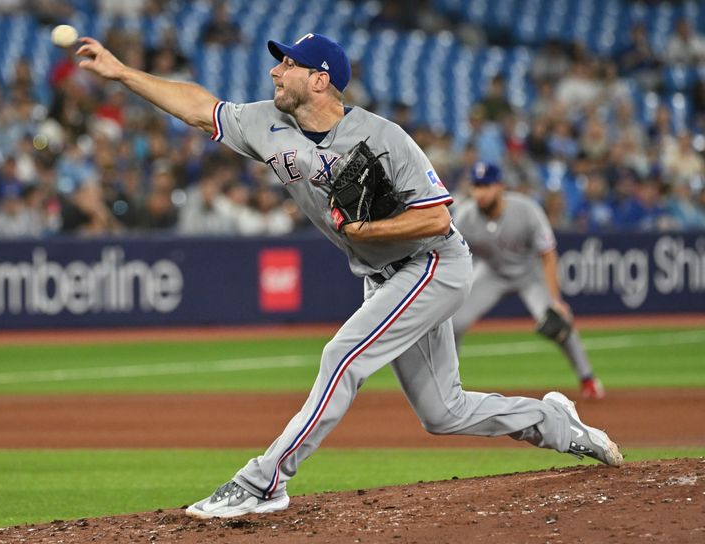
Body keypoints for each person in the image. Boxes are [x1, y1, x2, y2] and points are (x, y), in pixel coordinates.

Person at [76, 32, 622, 519]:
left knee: (343, 355)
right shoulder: (268, 122)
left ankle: (265, 480)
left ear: (319, 80)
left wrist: (364, 232)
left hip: (433, 262)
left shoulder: (384, 137)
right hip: (384, 276)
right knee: (443, 411)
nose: (274, 72)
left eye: (286, 64)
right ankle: (556, 423)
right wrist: (122, 73)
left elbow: (436, 216)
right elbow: (201, 108)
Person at [451, 162, 605, 399]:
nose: (480, 192)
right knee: (452, 322)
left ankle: (588, 379)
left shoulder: (526, 209)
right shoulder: (465, 216)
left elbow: (548, 253)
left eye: (486, 186)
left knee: (559, 322)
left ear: (500, 186)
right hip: (491, 273)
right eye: (476, 186)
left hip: (529, 274)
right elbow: (449, 254)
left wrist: (556, 300)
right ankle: (448, 383)